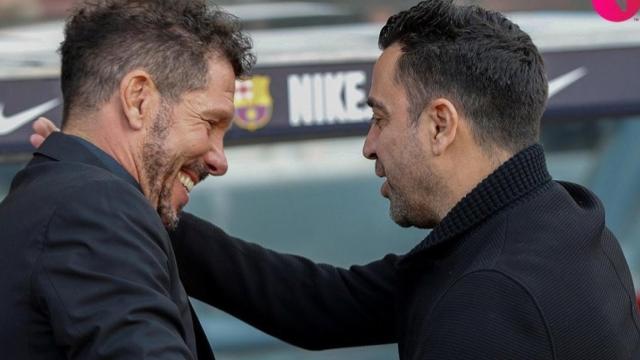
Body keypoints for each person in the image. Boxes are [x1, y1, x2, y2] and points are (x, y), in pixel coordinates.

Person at [30, 1, 640, 359]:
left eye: (380, 117)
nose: (369, 145)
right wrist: (149, 201)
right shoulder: (553, 224)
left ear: (440, 125)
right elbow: (322, 304)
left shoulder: (492, 298)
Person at [1, 0, 254, 359]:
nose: (219, 160)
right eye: (210, 123)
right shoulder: (93, 208)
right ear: (138, 100)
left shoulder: (57, 199)